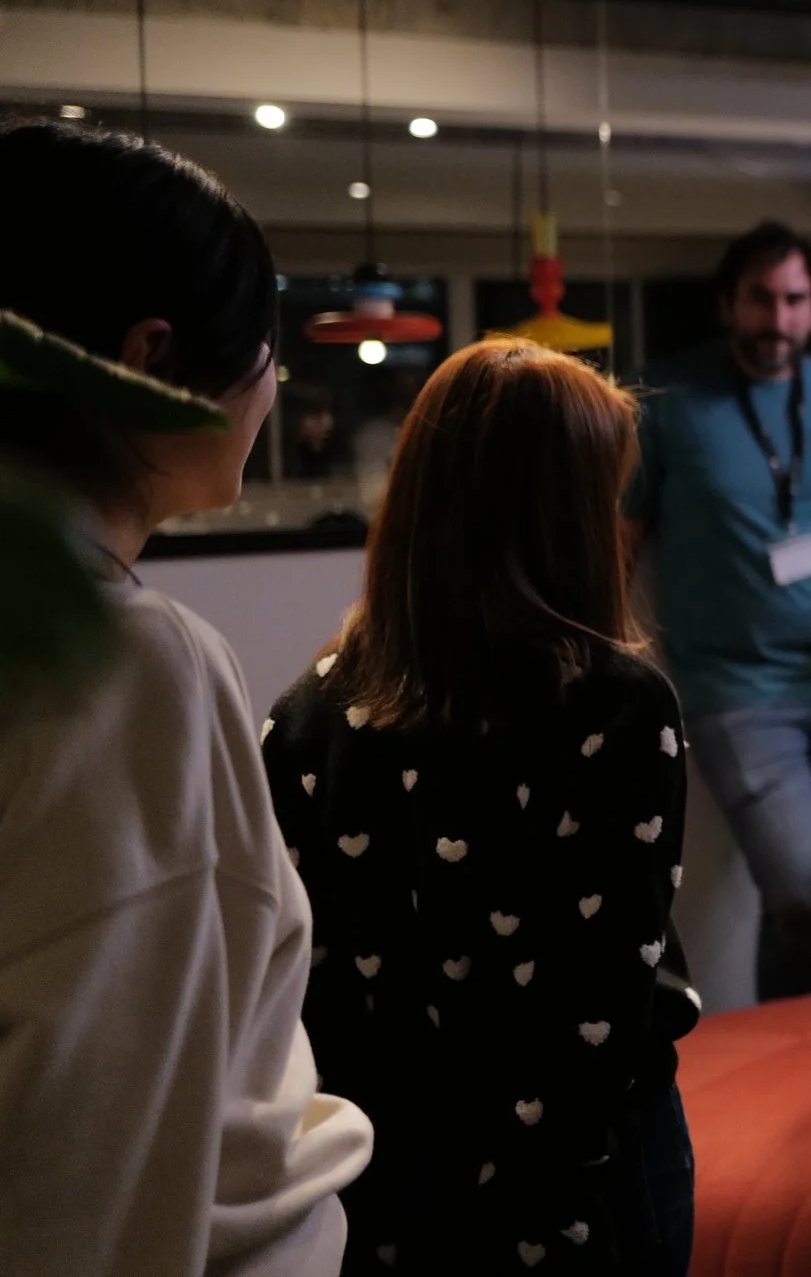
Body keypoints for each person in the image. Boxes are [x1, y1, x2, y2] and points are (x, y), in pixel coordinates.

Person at [0, 122, 374, 1276]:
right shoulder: (128, 667)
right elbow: (97, 1159)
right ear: (153, 362)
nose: (277, 390)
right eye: (265, 352)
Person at [264, 338, 697, 1276]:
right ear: (561, 515)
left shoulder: (309, 716)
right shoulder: (617, 707)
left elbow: (306, 995)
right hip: (585, 1180)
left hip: (384, 1176)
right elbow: (607, 1010)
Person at [626, 222, 811, 999]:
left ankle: (798, 1066)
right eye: (760, 299)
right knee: (809, 892)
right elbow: (622, 541)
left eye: (794, 301)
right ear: (728, 303)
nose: (776, 320)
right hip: (735, 693)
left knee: (798, 906)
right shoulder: (667, 399)